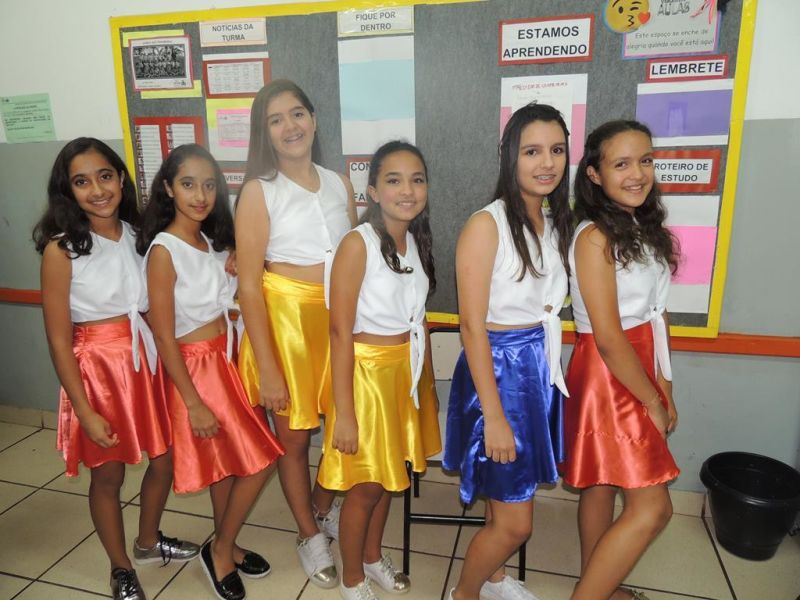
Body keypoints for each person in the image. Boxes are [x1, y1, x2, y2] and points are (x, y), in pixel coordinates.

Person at [34, 138, 200, 600]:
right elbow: (59, 340)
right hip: (99, 373)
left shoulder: (140, 234)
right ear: (68, 191)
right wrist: (84, 410)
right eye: (81, 182)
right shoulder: (62, 250)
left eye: (105, 176)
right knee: (108, 475)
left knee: (165, 461)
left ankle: (147, 542)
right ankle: (120, 566)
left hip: (146, 363)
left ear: (122, 179)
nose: (97, 190)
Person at [139, 144, 284, 600]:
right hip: (197, 369)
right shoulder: (164, 250)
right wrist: (193, 403)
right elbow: (164, 336)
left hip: (226, 361)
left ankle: (226, 543)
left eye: (208, 185)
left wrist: (237, 252)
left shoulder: (210, 242)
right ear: (168, 188)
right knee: (263, 458)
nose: (200, 195)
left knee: (227, 465)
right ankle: (219, 549)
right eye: (188, 184)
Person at [444, 103, 574, 600]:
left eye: (557, 150)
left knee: (505, 496)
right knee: (518, 524)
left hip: (536, 368)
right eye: (532, 151)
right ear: (510, 157)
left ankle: (494, 579)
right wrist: (494, 417)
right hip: (499, 374)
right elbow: (472, 327)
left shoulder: (553, 220)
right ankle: (464, 594)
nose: (547, 162)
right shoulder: (487, 224)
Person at [235, 79, 357, 588]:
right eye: (276, 119)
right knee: (294, 435)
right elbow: (248, 284)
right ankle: (309, 533)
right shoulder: (258, 191)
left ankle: (322, 507)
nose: (290, 126)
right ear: (264, 133)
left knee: (343, 420)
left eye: (298, 114)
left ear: (314, 119)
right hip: (286, 326)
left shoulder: (339, 183)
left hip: (336, 322)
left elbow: (354, 259)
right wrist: (267, 366)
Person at [561, 120, 680, 600]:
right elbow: (609, 337)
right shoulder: (594, 236)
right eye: (621, 164)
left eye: (645, 160)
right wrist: (651, 399)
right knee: (654, 509)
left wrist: (666, 384)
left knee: (601, 484)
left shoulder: (641, 227)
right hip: (611, 374)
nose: (637, 174)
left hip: (640, 363)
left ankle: (600, 587)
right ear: (594, 174)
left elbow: (657, 315)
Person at [318, 141, 441, 600]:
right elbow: (339, 333)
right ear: (372, 191)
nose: (407, 190)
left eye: (417, 180)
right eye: (394, 180)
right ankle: (352, 577)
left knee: (392, 477)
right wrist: (345, 413)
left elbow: (418, 320)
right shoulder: (359, 244)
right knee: (366, 487)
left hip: (402, 376)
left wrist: (424, 387)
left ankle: (371, 557)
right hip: (366, 378)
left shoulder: (414, 240)